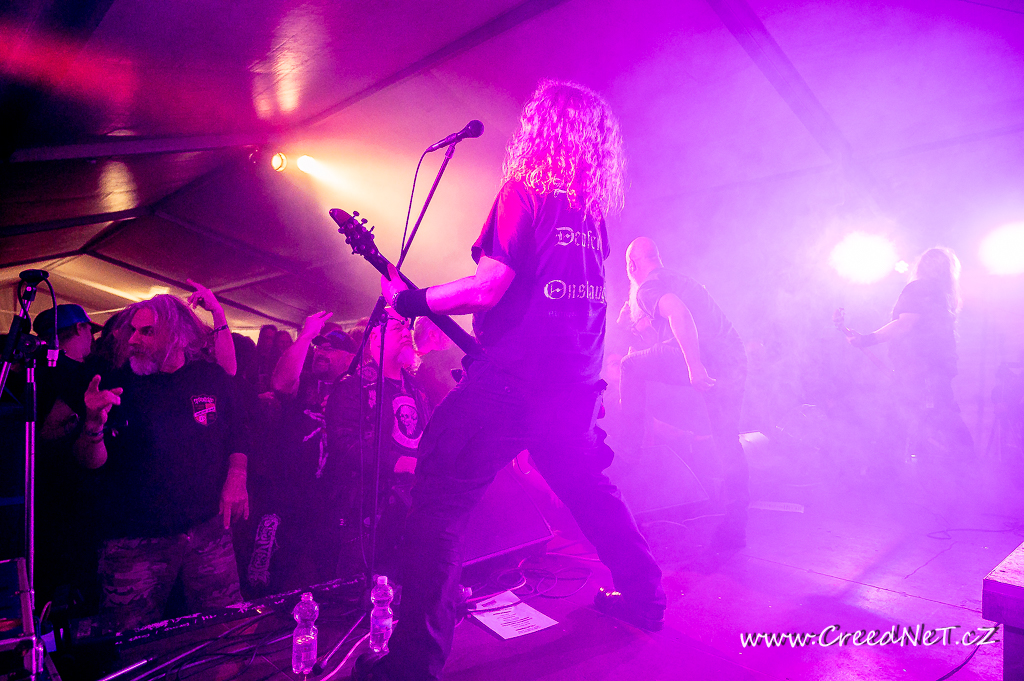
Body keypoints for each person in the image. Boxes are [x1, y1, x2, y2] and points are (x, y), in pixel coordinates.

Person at [358, 80, 665, 681]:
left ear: (540, 129)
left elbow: (488, 288)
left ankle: (412, 666)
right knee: (591, 493)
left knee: (439, 506)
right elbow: (586, 304)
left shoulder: (523, 191)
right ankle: (646, 598)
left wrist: (413, 300)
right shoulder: (590, 213)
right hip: (573, 390)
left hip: (511, 385)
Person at [73, 293, 250, 631]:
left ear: (178, 336)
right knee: (130, 641)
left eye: (147, 332)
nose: (134, 340)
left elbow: (238, 429)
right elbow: (90, 462)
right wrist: (93, 425)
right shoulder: (116, 382)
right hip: (135, 538)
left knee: (224, 630)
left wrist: (237, 474)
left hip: (206, 530)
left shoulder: (209, 377)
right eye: (133, 331)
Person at [619, 237, 749, 548]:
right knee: (727, 439)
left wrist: (694, 366)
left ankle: (628, 452)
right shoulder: (681, 279)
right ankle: (735, 527)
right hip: (732, 360)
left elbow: (679, 313)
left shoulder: (647, 287)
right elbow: (675, 330)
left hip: (702, 358)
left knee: (628, 366)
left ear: (632, 266)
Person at [325, 308, 429, 582]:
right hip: (367, 511)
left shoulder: (416, 387)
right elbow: (343, 443)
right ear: (375, 338)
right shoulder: (353, 386)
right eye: (397, 328)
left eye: (407, 328)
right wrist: (398, 462)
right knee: (364, 589)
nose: (406, 333)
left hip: (410, 505)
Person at [843, 247, 972, 459]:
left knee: (900, 421)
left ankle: (890, 470)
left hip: (920, 372)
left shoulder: (919, 288)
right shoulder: (945, 296)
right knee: (941, 421)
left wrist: (866, 340)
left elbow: (904, 325)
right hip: (936, 370)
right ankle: (963, 466)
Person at [412, 316, 463, 411]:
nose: (452, 335)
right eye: (447, 329)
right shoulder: (436, 367)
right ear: (433, 335)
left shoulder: (411, 375)